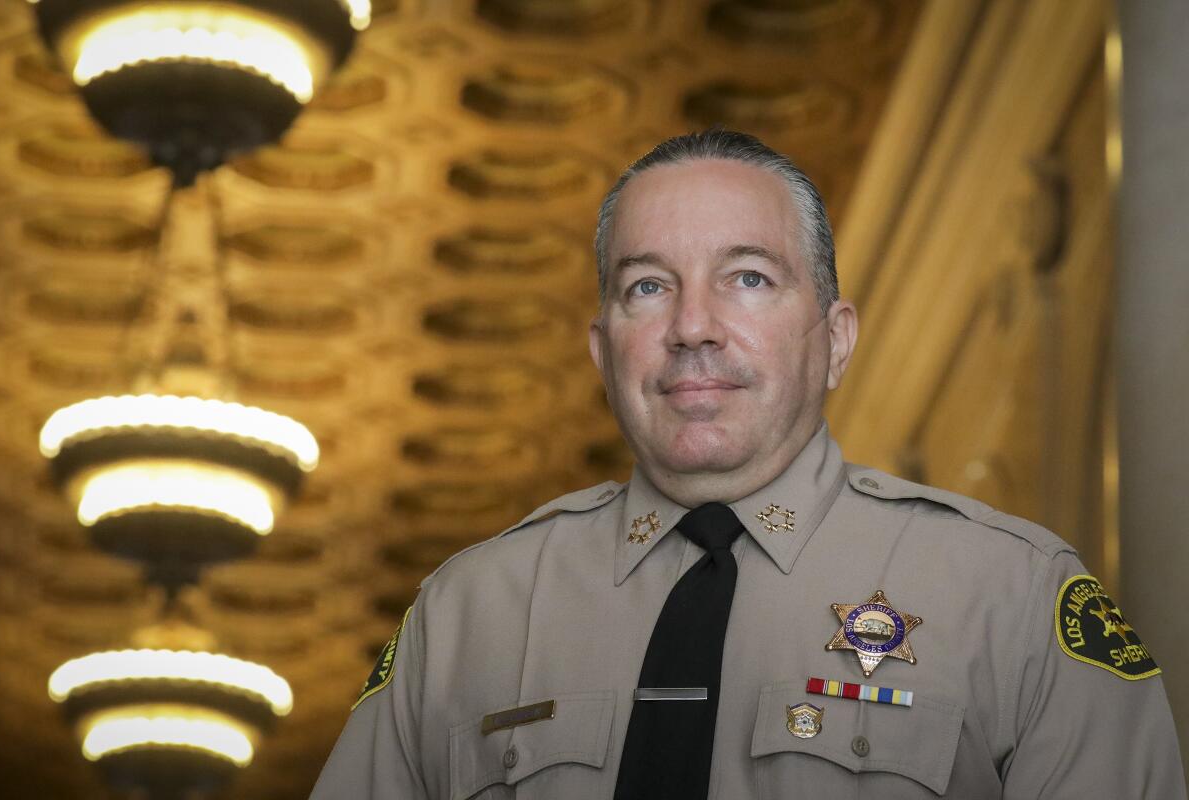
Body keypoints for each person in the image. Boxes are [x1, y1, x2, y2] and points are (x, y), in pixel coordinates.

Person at [309, 130, 1185, 799]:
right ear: (602, 348)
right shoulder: (463, 619)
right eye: (647, 286)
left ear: (835, 340)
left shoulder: (1015, 600)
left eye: (750, 278)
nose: (693, 326)